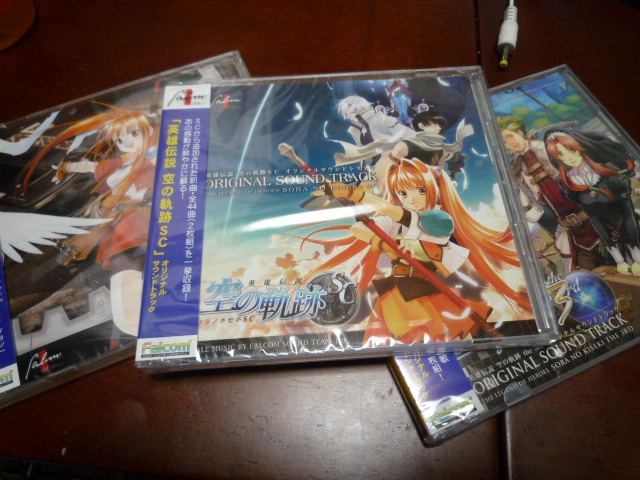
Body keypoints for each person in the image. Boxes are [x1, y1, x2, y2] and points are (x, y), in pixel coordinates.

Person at [301, 156, 531, 344]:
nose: (412, 199)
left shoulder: (439, 218)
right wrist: (383, 244)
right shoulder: (396, 219)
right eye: (403, 193)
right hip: (397, 289)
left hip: (423, 289)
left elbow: (395, 212)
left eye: (420, 190)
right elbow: (359, 228)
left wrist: (355, 194)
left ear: (433, 189)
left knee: (448, 334)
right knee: (402, 339)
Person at [21, 105, 157, 335]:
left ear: (148, 132)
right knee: (119, 265)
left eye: (134, 134)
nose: (127, 142)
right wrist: (64, 168)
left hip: (140, 220)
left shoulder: (152, 162)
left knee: (130, 263)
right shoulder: (120, 164)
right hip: (116, 222)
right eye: (120, 140)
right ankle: (133, 320)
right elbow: (91, 167)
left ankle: (137, 318)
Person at [498, 116, 602, 273]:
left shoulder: (547, 147)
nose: (511, 143)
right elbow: (534, 204)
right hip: (568, 227)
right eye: (505, 142)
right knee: (588, 267)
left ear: (520, 133)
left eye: (510, 136)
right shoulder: (518, 168)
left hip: (591, 211)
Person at [545, 127, 640, 276]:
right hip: (616, 243)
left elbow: (629, 214)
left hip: (635, 234)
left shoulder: (608, 170)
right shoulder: (568, 183)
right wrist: (619, 260)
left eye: (572, 150)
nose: (569, 157)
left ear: (580, 147)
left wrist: (637, 256)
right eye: (560, 154)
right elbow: (595, 220)